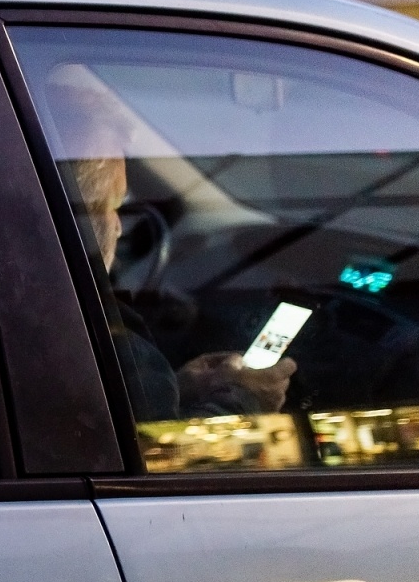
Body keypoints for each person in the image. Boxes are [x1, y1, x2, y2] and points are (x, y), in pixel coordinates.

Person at [51, 84, 297, 421]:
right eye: (116, 206)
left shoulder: (43, 316)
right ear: (76, 219)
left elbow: (130, 417)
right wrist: (246, 401)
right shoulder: (98, 344)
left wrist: (174, 387)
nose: (120, 227)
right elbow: (165, 459)